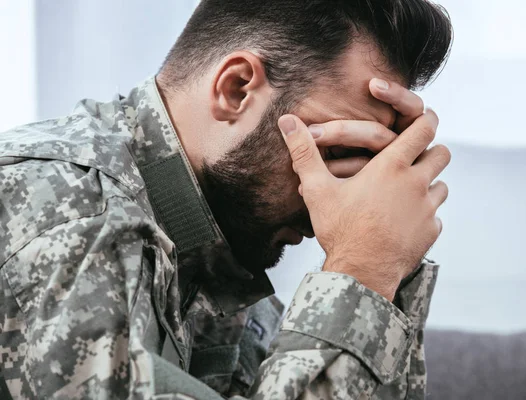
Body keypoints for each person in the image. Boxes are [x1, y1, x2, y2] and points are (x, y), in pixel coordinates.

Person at [0, 0, 452, 398]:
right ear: (235, 89)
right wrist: (362, 272)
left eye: (366, 165)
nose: (327, 212)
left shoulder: (210, 250)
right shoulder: (72, 214)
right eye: (332, 152)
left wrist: (387, 267)